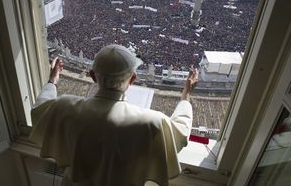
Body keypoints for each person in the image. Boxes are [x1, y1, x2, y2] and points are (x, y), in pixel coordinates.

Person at [30, 44, 199, 186]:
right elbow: (180, 133)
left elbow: (40, 111)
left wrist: (52, 82)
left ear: (93, 76)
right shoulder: (152, 122)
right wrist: (185, 97)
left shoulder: (65, 106)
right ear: (132, 79)